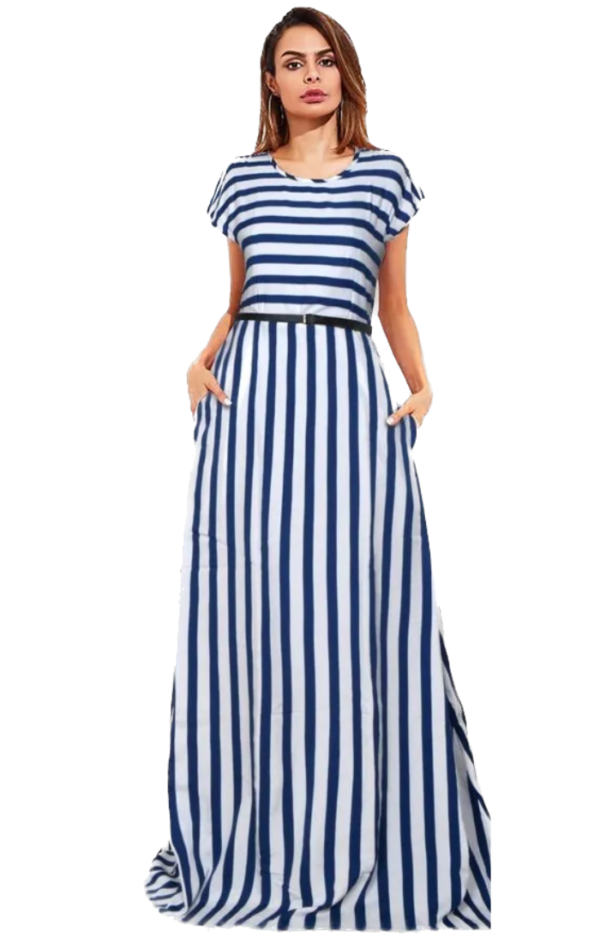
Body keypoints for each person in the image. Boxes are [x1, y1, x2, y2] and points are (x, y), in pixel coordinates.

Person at [144, 6, 491, 932]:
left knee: (347, 611)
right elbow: (238, 298)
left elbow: (393, 306)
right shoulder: (241, 180)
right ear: (270, 81)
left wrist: (423, 385)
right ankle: (252, 829)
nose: (311, 76)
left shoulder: (384, 176)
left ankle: (363, 826)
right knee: (249, 610)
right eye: (293, 62)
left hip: (346, 401)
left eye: (325, 60)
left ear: (346, 74)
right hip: (249, 406)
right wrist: (197, 360)